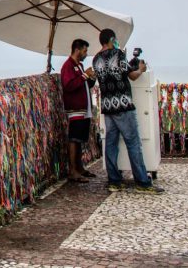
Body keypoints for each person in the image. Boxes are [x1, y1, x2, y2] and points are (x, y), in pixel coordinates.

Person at [92, 28, 164, 193]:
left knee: (110, 143)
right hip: (123, 105)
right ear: (111, 39)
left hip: (107, 106)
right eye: (115, 39)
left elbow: (111, 74)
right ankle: (142, 182)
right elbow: (131, 76)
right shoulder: (118, 54)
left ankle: (114, 181)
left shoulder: (95, 59)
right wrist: (141, 69)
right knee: (133, 142)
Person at [61, 38, 96, 182]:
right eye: (85, 50)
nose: (86, 54)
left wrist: (91, 78)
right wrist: (85, 75)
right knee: (74, 139)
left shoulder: (79, 65)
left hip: (83, 109)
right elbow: (68, 85)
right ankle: (73, 171)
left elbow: (84, 83)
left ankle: (80, 167)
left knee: (80, 139)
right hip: (75, 109)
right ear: (77, 50)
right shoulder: (68, 66)